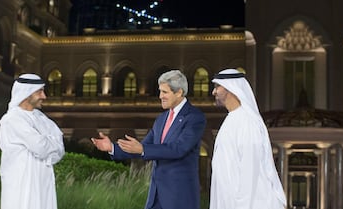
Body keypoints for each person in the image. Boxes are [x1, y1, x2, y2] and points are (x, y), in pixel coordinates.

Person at [91, 70, 206, 209]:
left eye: (165, 92)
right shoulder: (161, 119)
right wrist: (112, 148)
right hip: (155, 196)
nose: (160, 96)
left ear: (179, 92)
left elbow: (179, 149)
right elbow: (141, 147)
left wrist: (143, 149)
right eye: (160, 91)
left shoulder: (194, 117)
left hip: (179, 197)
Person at [210, 68, 287, 209]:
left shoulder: (247, 121)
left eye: (217, 87)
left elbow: (250, 171)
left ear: (230, 88)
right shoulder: (232, 119)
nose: (214, 92)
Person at [0, 73, 65, 209]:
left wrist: (46, 145)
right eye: (40, 92)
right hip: (22, 186)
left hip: (43, 184)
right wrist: (47, 143)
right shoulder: (13, 119)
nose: (44, 96)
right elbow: (41, 147)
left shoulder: (41, 118)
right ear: (27, 93)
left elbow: (59, 148)